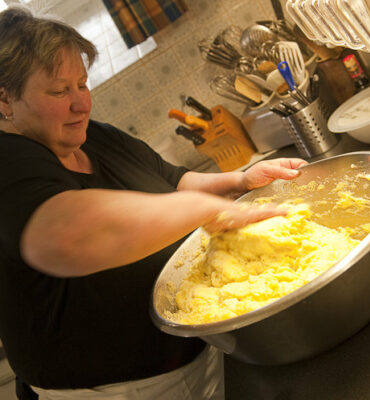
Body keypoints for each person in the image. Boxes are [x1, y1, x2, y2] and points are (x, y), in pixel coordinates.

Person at [0, 6, 307, 400]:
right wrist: (208, 211)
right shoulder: (8, 162)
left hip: (195, 352)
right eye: (60, 91)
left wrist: (240, 179)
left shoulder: (95, 135)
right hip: (110, 390)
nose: (81, 104)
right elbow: (68, 235)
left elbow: (173, 180)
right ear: (4, 98)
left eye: (82, 84)